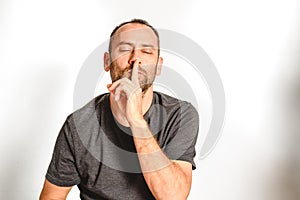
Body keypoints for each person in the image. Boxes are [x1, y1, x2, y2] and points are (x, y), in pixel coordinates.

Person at [40, 19, 199, 200]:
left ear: (158, 66)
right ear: (107, 61)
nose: (135, 59)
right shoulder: (79, 125)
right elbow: (51, 196)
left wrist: (136, 120)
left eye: (146, 51)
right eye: (124, 49)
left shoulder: (180, 115)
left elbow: (174, 197)